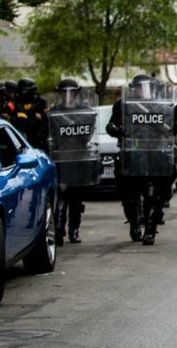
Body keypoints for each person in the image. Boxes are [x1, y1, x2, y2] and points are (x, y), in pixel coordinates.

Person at [107, 74, 175, 245]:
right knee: (130, 197)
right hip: (131, 156)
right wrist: (118, 131)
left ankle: (150, 231)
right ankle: (135, 225)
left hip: (153, 156)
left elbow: (171, 127)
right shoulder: (123, 106)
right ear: (133, 89)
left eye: (146, 87)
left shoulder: (161, 106)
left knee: (152, 195)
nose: (142, 91)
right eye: (139, 87)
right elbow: (111, 125)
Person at [50, 78, 100, 246]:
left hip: (79, 160)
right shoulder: (54, 112)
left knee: (76, 200)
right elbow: (52, 138)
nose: (67, 96)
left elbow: (87, 135)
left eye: (70, 93)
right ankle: (58, 230)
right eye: (64, 93)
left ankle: (74, 230)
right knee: (61, 198)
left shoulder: (85, 111)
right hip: (62, 161)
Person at [11, 78, 49, 151]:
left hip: (39, 139)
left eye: (25, 91)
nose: (23, 93)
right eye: (21, 91)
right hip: (24, 138)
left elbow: (47, 120)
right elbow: (18, 121)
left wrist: (41, 117)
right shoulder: (17, 104)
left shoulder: (40, 103)